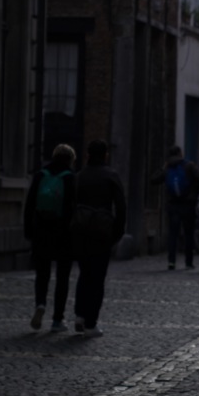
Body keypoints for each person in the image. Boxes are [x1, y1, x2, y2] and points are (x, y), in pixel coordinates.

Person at [72, 139, 126, 337]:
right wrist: (117, 232)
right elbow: (121, 207)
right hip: (102, 233)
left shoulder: (79, 177)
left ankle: (79, 314)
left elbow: (70, 204)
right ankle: (91, 322)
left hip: (81, 231)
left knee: (84, 273)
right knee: (97, 277)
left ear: (87, 155)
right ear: (105, 155)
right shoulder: (111, 176)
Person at [23, 143, 77, 332]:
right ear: (71, 159)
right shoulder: (70, 178)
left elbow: (29, 204)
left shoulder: (40, 175)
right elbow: (74, 209)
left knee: (42, 273)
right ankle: (57, 320)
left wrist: (28, 231)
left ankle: (40, 304)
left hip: (41, 231)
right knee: (62, 276)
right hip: (63, 234)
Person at [152, 145, 199, 270]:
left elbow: (153, 179)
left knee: (173, 234)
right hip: (188, 204)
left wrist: (163, 167)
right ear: (181, 154)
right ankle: (188, 262)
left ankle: (171, 262)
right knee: (189, 234)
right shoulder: (189, 165)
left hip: (173, 205)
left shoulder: (168, 168)